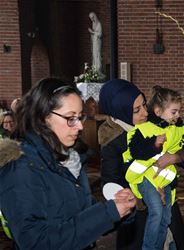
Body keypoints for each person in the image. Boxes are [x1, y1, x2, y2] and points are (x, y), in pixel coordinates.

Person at [0, 78, 136, 249]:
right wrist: (107, 213)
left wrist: (119, 209)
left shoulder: (69, 159)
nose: (79, 126)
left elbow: (82, 214)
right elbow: (36, 243)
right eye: (70, 118)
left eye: (80, 117)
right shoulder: (21, 169)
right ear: (43, 117)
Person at [98, 79, 184, 250]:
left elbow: (182, 147)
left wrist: (176, 157)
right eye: (136, 110)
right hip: (139, 216)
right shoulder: (112, 140)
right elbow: (113, 186)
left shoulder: (155, 119)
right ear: (121, 111)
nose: (145, 113)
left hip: (167, 199)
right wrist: (147, 196)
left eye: (144, 105)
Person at [123, 86, 184, 250]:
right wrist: (155, 144)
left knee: (167, 217)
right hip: (148, 178)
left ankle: (157, 245)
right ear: (158, 111)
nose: (178, 115)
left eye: (178, 111)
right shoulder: (144, 129)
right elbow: (136, 150)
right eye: (174, 112)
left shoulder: (176, 129)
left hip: (165, 180)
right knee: (156, 210)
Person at [88, 12, 103, 76]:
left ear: (95, 17)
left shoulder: (99, 24)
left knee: (97, 54)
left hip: (97, 42)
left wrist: (92, 32)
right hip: (94, 41)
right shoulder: (93, 24)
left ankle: (98, 69)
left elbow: (100, 34)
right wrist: (92, 33)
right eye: (91, 18)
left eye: (92, 17)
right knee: (94, 55)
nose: (92, 19)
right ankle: (94, 69)